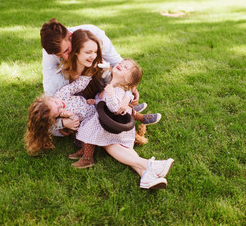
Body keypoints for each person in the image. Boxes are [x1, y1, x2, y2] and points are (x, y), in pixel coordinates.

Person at [40, 19, 161, 135]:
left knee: (110, 84)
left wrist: (128, 93)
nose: (65, 57)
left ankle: (129, 109)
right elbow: (48, 99)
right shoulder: (50, 56)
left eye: (67, 50)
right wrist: (62, 122)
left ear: (70, 37)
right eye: (59, 55)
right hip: (74, 94)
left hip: (98, 81)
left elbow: (118, 64)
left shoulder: (93, 34)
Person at [72, 58, 174, 189]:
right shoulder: (110, 85)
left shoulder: (118, 90)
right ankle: (147, 177)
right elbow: (103, 103)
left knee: (110, 146)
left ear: (128, 80)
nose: (120, 65)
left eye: (126, 68)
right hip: (113, 127)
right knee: (126, 152)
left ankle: (149, 165)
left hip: (114, 128)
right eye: (121, 64)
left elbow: (114, 108)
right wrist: (96, 100)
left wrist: (113, 94)